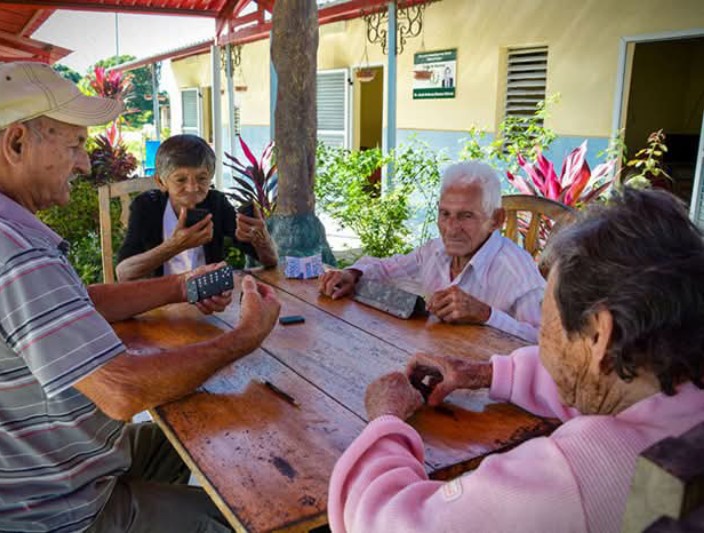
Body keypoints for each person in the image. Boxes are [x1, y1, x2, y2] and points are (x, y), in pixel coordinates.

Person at [0, 61, 281, 533]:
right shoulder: (14, 254)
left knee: (199, 431)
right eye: (76, 144)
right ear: (17, 142)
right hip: (52, 510)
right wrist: (243, 337)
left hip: (35, 469)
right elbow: (122, 392)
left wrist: (180, 285)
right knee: (235, 520)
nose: (84, 163)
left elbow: (81, 300)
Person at [328, 188, 704, 533]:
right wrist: (482, 373)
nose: (542, 340)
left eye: (549, 323)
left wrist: (385, 422)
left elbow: (389, 524)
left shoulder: (577, 474)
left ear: (598, 336)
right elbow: (607, 376)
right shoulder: (680, 395)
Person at [319, 161, 544, 342]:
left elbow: (546, 344)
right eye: (445, 214)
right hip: (440, 360)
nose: (451, 229)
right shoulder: (435, 251)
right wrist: (351, 274)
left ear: (496, 220)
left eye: (466, 216)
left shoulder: (518, 272)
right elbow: (387, 268)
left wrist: (486, 315)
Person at [116, 134, 278, 281]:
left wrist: (262, 239)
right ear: (161, 182)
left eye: (202, 178)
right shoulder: (146, 206)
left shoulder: (216, 203)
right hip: (161, 301)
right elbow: (124, 272)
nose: (193, 187)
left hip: (210, 299)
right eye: (181, 180)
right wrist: (175, 245)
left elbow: (270, 261)